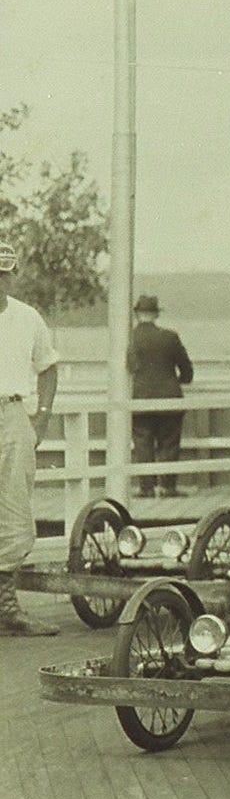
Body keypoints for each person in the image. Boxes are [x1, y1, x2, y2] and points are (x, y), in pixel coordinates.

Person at [0, 244, 59, 636]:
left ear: (12, 275)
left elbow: (48, 367)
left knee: (15, 513)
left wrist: (42, 417)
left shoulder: (27, 317)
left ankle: (6, 609)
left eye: (4, 273)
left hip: (12, 411)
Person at [128, 294, 194, 496]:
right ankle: (167, 487)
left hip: (140, 397)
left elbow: (129, 367)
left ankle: (146, 488)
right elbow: (187, 370)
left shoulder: (130, 338)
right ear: (156, 314)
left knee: (142, 443)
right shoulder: (170, 337)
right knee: (169, 442)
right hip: (169, 397)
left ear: (137, 314)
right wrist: (178, 380)